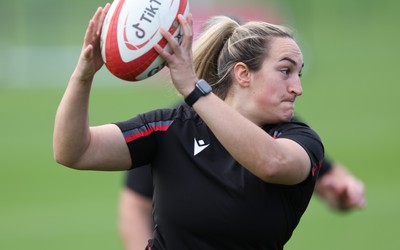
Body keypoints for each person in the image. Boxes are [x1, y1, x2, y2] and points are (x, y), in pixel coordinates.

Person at [53, 4, 325, 249]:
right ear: (243, 74)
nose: (297, 88)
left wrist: (194, 91)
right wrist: (83, 75)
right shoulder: (171, 127)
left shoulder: (299, 140)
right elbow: (75, 151)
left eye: (298, 74)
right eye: (285, 71)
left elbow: (272, 163)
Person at [119, 133, 366, 250]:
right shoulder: (177, 127)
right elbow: (135, 205)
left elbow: (330, 179)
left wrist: (343, 194)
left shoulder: (282, 128)